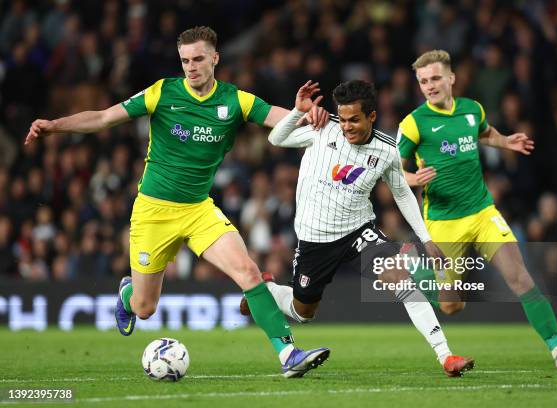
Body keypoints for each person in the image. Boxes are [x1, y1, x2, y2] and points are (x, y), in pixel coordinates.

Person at [25, 26, 330, 378]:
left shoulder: (235, 100)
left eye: (198, 58)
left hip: (199, 209)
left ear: (215, 58)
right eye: (185, 60)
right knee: (144, 308)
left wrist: (304, 113)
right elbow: (104, 117)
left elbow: (280, 118)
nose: (191, 66)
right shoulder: (162, 93)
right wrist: (54, 126)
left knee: (247, 271)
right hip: (153, 211)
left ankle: (288, 354)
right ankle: (127, 295)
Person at [242, 79, 475, 377]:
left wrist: (426, 238)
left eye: (354, 119)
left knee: (403, 281)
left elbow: (402, 193)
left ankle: (446, 356)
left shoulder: (387, 151)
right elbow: (276, 138)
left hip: (358, 232)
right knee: (303, 314)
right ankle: (269, 291)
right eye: (344, 118)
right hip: (315, 239)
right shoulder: (323, 129)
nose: (347, 126)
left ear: (372, 117)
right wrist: (297, 111)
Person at [397, 49, 557, 368]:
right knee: (451, 307)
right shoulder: (414, 124)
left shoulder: (472, 110)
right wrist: (414, 177)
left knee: (520, 277)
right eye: (423, 81)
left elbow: (484, 133)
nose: (429, 86)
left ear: (451, 78)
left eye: (434, 78)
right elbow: (394, 170)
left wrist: (505, 142)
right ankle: (417, 270)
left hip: (483, 211)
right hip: (444, 222)